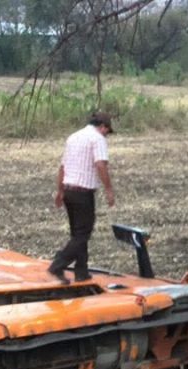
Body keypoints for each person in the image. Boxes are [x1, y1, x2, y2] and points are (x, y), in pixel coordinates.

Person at [48, 111, 115, 284]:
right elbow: (100, 164)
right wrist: (108, 189)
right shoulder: (97, 139)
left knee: (77, 234)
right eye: (107, 131)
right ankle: (58, 265)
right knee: (83, 234)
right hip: (83, 192)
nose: (107, 135)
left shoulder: (73, 137)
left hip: (69, 190)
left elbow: (63, 166)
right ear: (103, 127)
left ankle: (81, 271)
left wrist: (60, 190)